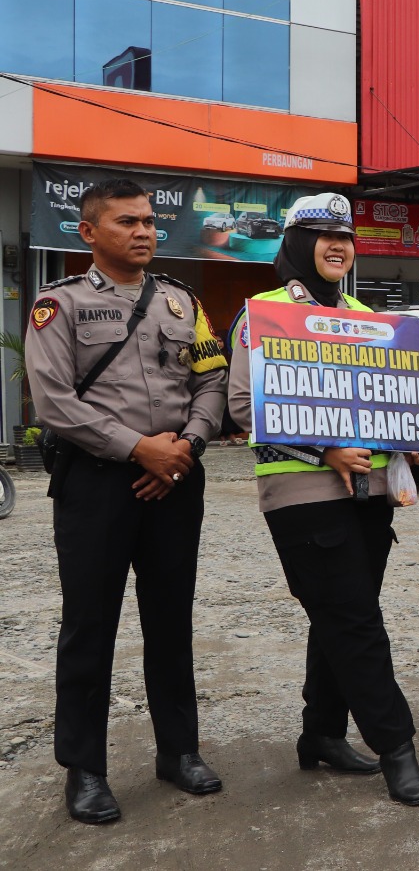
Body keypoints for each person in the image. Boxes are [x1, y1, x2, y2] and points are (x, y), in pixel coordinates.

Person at [24, 178, 228, 824]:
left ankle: (179, 751)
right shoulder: (59, 305)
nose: (143, 231)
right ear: (88, 232)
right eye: (126, 222)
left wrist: (186, 446)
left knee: (171, 619)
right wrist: (139, 448)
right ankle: (84, 769)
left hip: (177, 474)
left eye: (148, 221)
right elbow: (54, 401)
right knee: (90, 626)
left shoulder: (181, 301)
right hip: (96, 482)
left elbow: (212, 376)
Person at [226, 193, 419, 805]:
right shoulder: (260, 313)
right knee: (358, 622)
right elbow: (242, 406)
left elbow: (384, 401)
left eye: (345, 235)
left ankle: (320, 736)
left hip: (369, 493)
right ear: (294, 245)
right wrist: (326, 450)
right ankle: (398, 747)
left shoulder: (369, 315)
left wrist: (410, 440)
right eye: (322, 235)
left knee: (339, 617)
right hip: (303, 491)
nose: (337, 244)